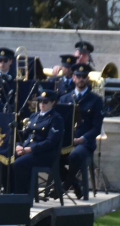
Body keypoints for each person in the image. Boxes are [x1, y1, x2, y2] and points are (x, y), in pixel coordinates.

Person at [59, 63, 104, 198]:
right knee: (51, 156)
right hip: (66, 142)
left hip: (85, 143)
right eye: (78, 76)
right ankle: (75, 184)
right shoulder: (64, 98)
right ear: (73, 78)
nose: (81, 79)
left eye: (84, 76)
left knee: (75, 155)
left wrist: (83, 139)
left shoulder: (96, 100)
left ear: (87, 79)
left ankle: (65, 185)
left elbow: (97, 128)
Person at [12, 90, 64, 194]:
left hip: (43, 154)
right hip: (28, 149)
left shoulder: (56, 119)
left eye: (45, 102)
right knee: (6, 159)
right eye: (40, 101)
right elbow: (24, 135)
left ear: (53, 102)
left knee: (19, 164)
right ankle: (9, 191)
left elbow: (50, 142)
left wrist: (30, 149)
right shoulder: (34, 116)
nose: (42, 104)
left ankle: (21, 196)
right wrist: (18, 146)